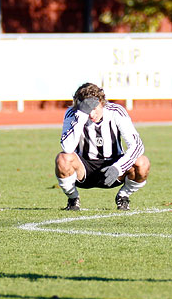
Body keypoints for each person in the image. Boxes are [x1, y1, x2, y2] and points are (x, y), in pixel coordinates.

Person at [55, 82, 150, 211]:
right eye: (87, 109)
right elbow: (67, 147)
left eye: (94, 109)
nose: (91, 114)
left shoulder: (116, 111)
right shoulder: (73, 113)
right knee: (63, 159)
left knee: (142, 162)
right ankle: (73, 198)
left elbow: (137, 146)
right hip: (84, 169)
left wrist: (118, 168)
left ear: (102, 102)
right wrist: (81, 115)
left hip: (114, 166)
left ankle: (123, 197)